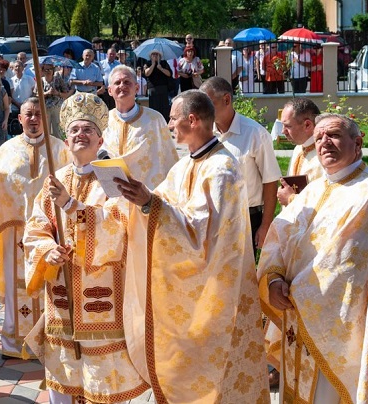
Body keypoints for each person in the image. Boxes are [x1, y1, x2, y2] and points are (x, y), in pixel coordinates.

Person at [117, 90, 269, 403]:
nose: (169, 124)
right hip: (193, 289)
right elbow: (163, 203)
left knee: (220, 377)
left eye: (173, 118)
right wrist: (133, 204)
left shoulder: (222, 170)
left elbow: (201, 235)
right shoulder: (185, 165)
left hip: (217, 294)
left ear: (192, 120)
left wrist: (150, 203)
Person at [23, 93, 148, 403]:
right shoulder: (57, 178)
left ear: (99, 138)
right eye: (74, 130)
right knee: (63, 386)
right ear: (66, 140)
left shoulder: (112, 175)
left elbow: (119, 230)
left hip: (100, 302)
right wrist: (47, 251)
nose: (80, 135)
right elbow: (36, 226)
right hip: (62, 301)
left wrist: (70, 204)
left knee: (102, 388)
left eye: (87, 130)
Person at [258, 113, 368, 403]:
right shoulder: (314, 188)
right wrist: (273, 279)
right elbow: (280, 237)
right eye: (319, 137)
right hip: (295, 312)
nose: (325, 142)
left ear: (358, 143)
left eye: (334, 135)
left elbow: (345, 265)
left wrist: (297, 293)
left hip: (335, 324)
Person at [0, 98, 71, 359]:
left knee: (49, 284)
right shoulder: (6, 150)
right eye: (28, 115)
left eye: (39, 115)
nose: (33, 120)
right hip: (14, 234)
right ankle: (13, 342)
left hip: (48, 234)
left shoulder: (59, 149)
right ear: (19, 119)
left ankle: (50, 340)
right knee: (14, 285)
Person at [200, 77, 281, 248]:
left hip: (247, 218)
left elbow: (270, 181)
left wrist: (265, 226)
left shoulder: (255, 133)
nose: (203, 111)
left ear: (227, 100)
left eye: (208, 104)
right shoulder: (205, 134)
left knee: (244, 274)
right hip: (213, 219)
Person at [103, 66, 178, 185]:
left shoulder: (154, 119)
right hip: (113, 194)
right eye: (117, 82)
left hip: (147, 193)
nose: (122, 86)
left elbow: (168, 157)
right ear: (110, 90)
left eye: (127, 82)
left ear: (137, 88)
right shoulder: (103, 121)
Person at [277, 98, 324, 206]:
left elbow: (325, 199)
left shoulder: (324, 156)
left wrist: (291, 199)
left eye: (288, 126)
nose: (283, 131)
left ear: (307, 125)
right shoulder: (299, 148)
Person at [33, 62, 70, 139]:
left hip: (57, 108)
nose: (48, 71)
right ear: (43, 71)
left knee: (58, 131)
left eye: (50, 69)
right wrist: (47, 93)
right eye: (46, 70)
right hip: (45, 109)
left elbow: (66, 93)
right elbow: (36, 95)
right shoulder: (41, 81)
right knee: (46, 131)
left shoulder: (58, 79)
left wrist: (57, 93)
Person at [144, 50, 172, 121]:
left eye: (157, 54)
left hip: (163, 88)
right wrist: (153, 65)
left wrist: (161, 68)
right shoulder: (148, 63)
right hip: (152, 88)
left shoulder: (164, 63)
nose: (155, 56)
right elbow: (147, 73)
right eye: (153, 54)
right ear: (151, 56)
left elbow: (169, 74)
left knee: (164, 107)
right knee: (154, 107)